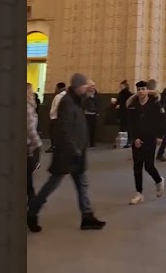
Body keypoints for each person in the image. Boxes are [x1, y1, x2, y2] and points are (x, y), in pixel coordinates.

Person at [27, 73, 106, 232]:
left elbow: (85, 105)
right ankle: (32, 213)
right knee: (52, 184)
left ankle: (87, 216)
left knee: (82, 184)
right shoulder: (67, 102)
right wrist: (73, 148)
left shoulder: (76, 100)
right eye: (84, 85)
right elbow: (64, 128)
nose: (86, 87)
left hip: (77, 152)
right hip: (67, 154)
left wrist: (90, 91)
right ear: (77, 86)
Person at [125, 80, 166, 204]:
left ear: (147, 90)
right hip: (137, 139)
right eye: (138, 90)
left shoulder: (155, 104)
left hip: (150, 138)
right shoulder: (133, 106)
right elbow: (130, 124)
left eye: (143, 89)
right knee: (137, 166)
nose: (141, 92)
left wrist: (159, 136)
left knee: (149, 166)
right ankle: (139, 193)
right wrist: (134, 138)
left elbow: (161, 120)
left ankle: (159, 180)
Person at [26, 83, 42, 199]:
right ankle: (31, 197)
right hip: (27, 143)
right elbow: (30, 128)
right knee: (27, 171)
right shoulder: (28, 107)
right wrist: (37, 142)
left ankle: (31, 196)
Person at [47, 82, 67, 152]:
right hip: (62, 118)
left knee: (53, 133)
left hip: (55, 117)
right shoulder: (67, 96)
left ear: (58, 88)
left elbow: (56, 107)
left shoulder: (58, 96)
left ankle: (54, 146)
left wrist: (52, 114)